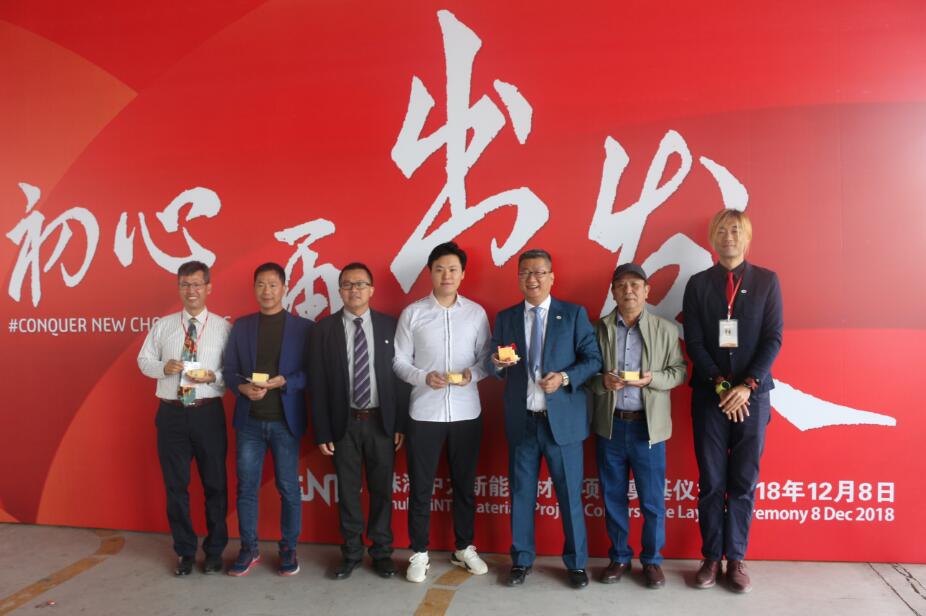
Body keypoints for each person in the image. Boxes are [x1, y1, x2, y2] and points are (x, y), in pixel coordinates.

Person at [682, 209, 783, 593]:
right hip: (711, 396)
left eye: (736, 230)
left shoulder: (767, 281)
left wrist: (747, 385)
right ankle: (711, 557)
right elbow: (694, 341)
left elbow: (773, 338)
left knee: (743, 480)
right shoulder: (698, 284)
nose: (728, 237)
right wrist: (724, 386)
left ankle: (736, 558)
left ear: (747, 237)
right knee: (711, 481)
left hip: (753, 397)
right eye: (722, 231)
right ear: (712, 238)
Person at [489, 248, 602, 589]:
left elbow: (593, 359)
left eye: (539, 272)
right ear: (518, 278)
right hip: (522, 420)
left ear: (552, 277)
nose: (532, 278)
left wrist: (565, 378)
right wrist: (497, 364)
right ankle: (521, 560)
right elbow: (494, 363)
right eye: (525, 272)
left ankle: (576, 564)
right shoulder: (506, 317)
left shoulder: (573, 314)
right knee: (521, 494)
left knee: (569, 496)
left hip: (562, 423)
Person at [393, 242, 492, 583]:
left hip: (466, 412)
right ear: (430, 273)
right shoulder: (413, 313)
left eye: (452, 269)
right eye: (439, 269)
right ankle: (419, 552)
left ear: (462, 274)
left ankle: (464, 547)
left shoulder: (476, 313)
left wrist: (470, 375)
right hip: (424, 412)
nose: (446, 275)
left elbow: (487, 359)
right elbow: (398, 361)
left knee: (464, 485)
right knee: (421, 487)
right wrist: (423, 377)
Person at [588, 263, 686, 588]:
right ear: (613, 292)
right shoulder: (598, 330)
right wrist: (602, 381)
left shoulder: (665, 330)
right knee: (613, 497)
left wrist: (652, 379)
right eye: (621, 285)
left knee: (652, 501)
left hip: (649, 429)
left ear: (647, 291)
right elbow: (586, 374)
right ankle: (619, 557)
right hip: (611, 427)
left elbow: (679, 372)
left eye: (635, 285)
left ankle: (652, 561)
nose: (628, 291)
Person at [310, 262, 410, 580]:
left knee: (382, 491)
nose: (354, 290)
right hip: (344, 424)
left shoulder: (389, 326)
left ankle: (381, 552)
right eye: (348, 285)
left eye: (361, 284)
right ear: (340, 291)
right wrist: (322, 430)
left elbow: (400, 378)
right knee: (348, 492)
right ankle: (351, 553)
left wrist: (400, 424)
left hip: (382, 422)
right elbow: (317, 383)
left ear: (372, 290)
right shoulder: (323, 330)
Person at [137, 260, 231, 576]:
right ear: (179, 288)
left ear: (208, 288)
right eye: (185, 284)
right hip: (171, 414)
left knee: (215, 484)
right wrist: (163, 367)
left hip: (207, 414)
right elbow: (143, 361)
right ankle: (185, 551)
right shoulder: (163, 326)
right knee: (176, 487)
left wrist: (213, 376)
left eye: (197, 284)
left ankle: (215, 551)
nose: (191, 290)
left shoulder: (223, 328)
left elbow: (231, 372)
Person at [223, 262, 313, 577]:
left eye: (273, 285)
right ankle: (249, 548)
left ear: (284, 288)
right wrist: (241, 388)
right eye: (261, 284)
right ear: (254, 289)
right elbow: (229, 369)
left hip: (285, 422)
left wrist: (285, 381)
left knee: (288, 488)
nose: (267, 291)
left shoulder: (303, 328)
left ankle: (288, 548)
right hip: (249, 422)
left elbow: (310, 373)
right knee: (247, 488)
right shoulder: (242, 326)